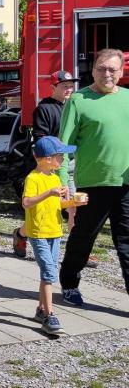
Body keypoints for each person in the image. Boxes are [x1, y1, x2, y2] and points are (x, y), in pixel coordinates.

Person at [58, 48, 129, 307]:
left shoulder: (128, 99)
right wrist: (63, 181)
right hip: (92, 184)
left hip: (125, 184)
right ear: (93, 70)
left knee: (127, 241)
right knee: (84, 237)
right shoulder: (79, 100)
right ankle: (69, 283)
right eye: (101, 68)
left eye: (112, 69)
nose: (106, 74)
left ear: (121, 72)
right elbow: (63, 145)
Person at [22, 136, 87, 335]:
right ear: (47, 159)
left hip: (54, 231)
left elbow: (57, 204)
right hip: (39, 233)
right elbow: (26, 202)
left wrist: (73, 203)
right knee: (49, 273)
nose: (64, 159)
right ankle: (50, 316)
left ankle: (41, 310)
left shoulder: (55, 178)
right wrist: (48, 193)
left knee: (47, 272)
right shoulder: (33, 178)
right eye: (61, 156)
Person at [13, 70, 79, 258]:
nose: (68, 89)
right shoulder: (44, 108)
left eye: (70, 86)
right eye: (64, 86)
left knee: (74, 206)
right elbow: (41, 140)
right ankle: (21, 234)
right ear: (53, 87)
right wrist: (50, 164)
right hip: (54, 165)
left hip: (74, 162)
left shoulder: (73, 106)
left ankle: (77, 250)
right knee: (45, 210)